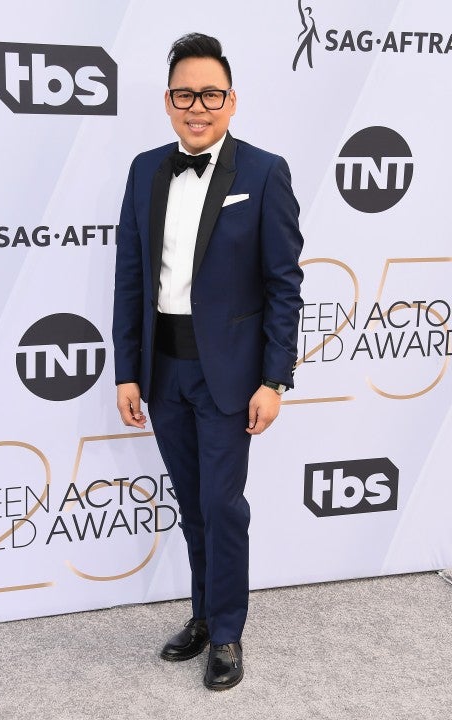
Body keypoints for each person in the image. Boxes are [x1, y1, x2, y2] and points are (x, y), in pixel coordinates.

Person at [113, 32, 304, 690]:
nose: (198, 107)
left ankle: (226, 632)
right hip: (163, 370)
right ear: (169, 102)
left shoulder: (264, 172)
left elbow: (284, 285)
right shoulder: (144, 170)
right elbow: (131, 277)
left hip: (229, 376)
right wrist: (127, 370)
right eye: (185, 94)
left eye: (211, 94)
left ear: (232, 100)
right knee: (192, 505)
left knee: (222, 506)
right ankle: (201, 614)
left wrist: (274, 378)